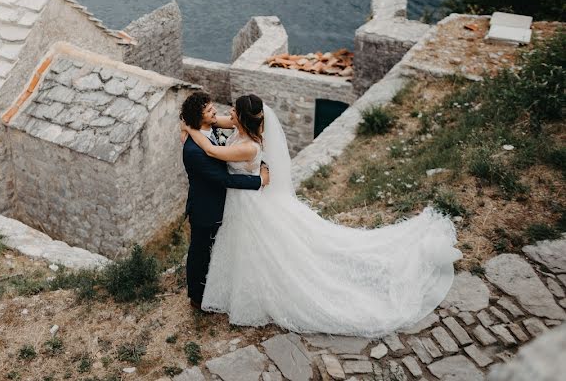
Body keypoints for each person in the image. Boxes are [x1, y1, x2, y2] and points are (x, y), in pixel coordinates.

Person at [181, 94, 461, 337]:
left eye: (232, 112)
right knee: (245, 246)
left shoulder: (248, 145)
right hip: (242, 202)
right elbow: (216, 125)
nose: (224, 114)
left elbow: (210, 150)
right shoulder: (244, 127)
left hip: (249, 201)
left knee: (261, 246)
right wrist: (195, 123)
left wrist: (190, 129)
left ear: (242, 119)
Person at [180, 91, 268, 310]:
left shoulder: (215, 127)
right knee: (199, 252)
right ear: (199, 117)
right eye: (210, 110)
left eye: (212, 108)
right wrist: (258, 181)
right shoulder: (192, 150)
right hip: (205, 206)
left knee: (225, 249)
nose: (217, 111)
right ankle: (197, 297)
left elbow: (217, 145)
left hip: (231, 203)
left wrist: (186, 125)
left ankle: (222, 287)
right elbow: (222, 178)